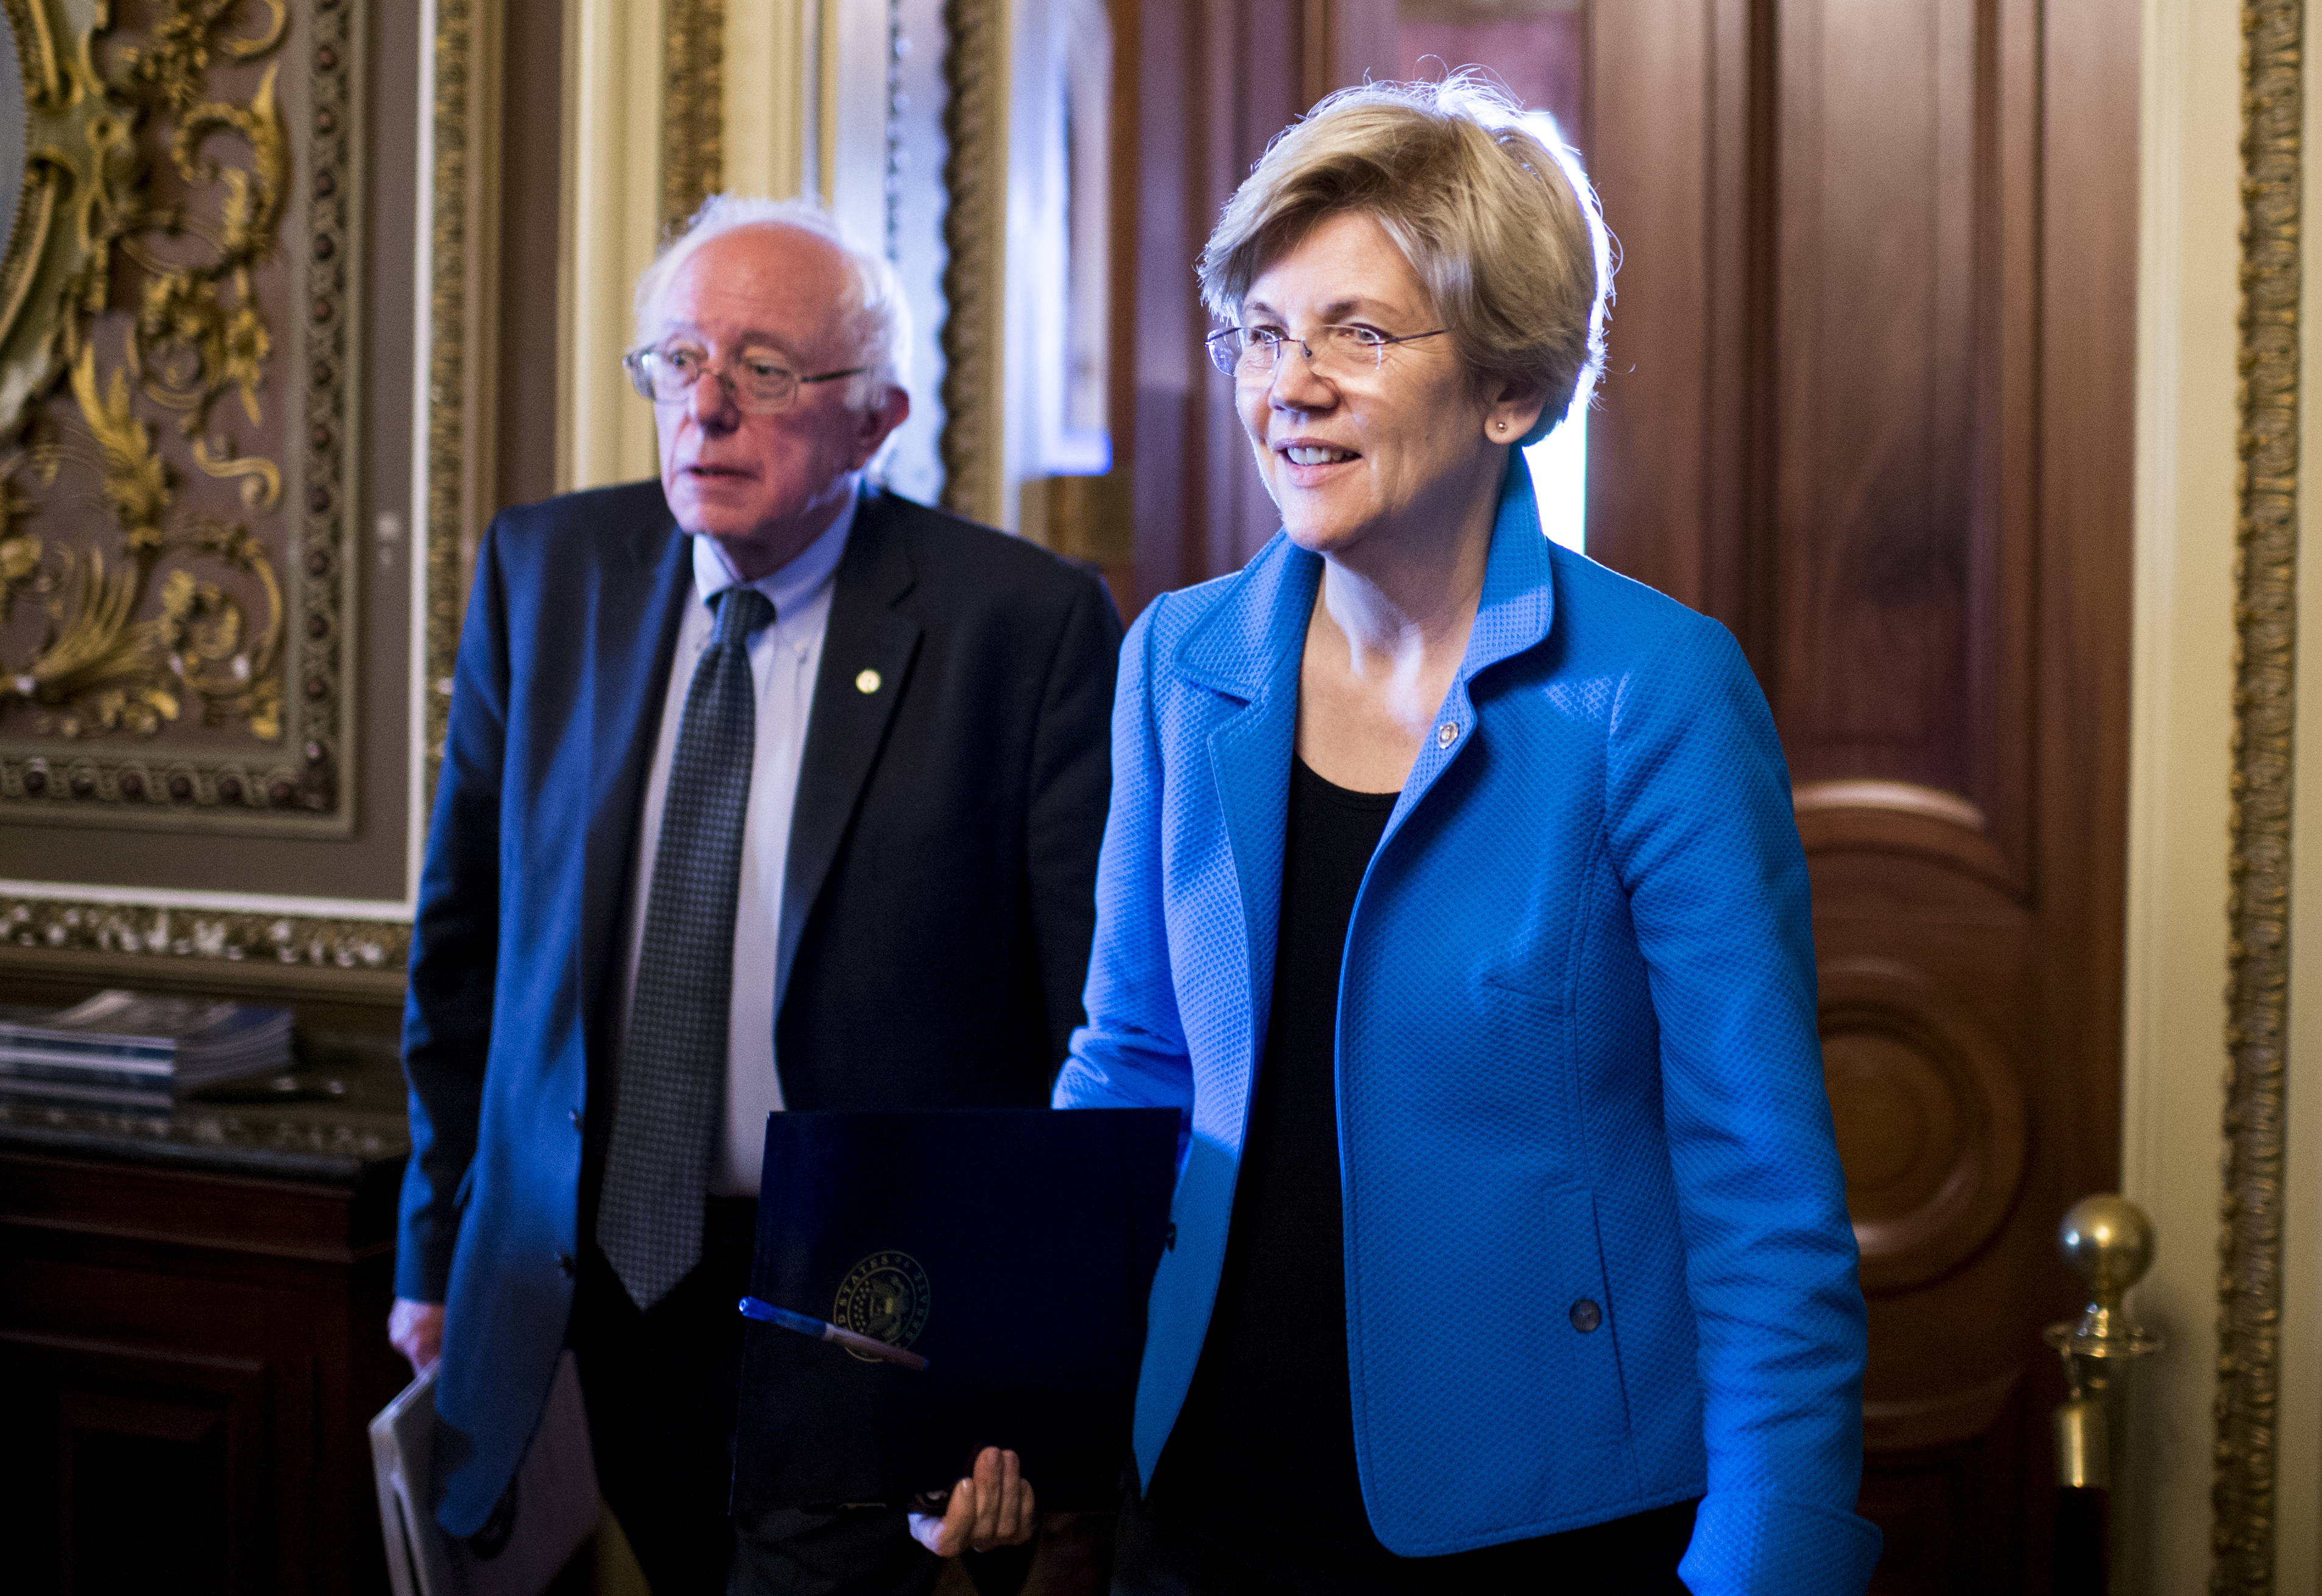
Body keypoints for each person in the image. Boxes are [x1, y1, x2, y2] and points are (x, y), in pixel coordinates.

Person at [1051, 77, 1881, 1595]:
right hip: (1201, 1503)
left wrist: (1775, 1563)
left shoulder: (1657, 689)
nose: (1288, 384)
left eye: (1359, 334)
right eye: (1262, 331)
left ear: (1510, 387)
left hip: (1544, 1522)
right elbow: (1131, 1065)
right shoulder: (1178, 658)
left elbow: (1759, 1187)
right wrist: (1013, 1393)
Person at [392, 196, 1110, 1594]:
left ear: (876, 418)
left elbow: (1088, 1019)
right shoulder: (547, 573)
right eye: (677, 362)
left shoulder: (1020, 627)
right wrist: (431, 1252)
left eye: (765, 371)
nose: (706, 408)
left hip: (862, 1296)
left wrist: (1035, 1349)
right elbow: (466, 945)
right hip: (584, 1273)